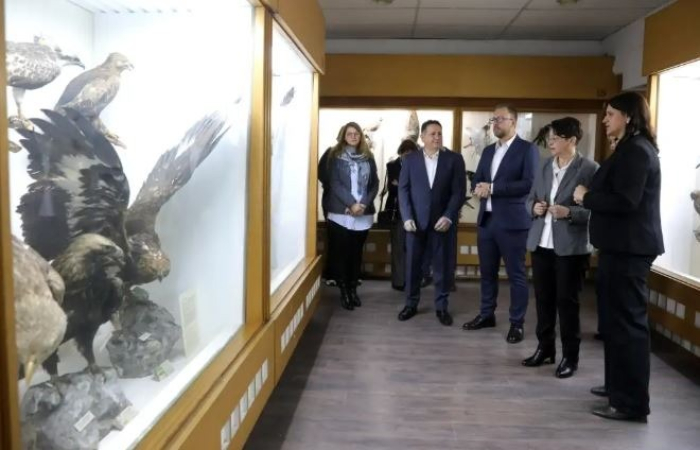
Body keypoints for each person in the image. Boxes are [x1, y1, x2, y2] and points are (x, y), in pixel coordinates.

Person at [574, 91, 664, 422]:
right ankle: (616, 387)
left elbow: (627, 201)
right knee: (613, 324)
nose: (604, 120)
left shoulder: (637, 150)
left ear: (628, 116)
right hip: (619, 248)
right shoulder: (628, 148)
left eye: (610, 113)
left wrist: (587, 197)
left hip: (630, 249)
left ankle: (630, 403)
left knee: (628, 326)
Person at [522, 117, 599, 379]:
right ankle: (545, 349)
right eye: (549, 138)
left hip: (571, 248)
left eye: (555, 138)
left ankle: (570, 357)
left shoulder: (590, 168)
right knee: (543, 301)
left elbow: (597, 210)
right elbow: (530, 199)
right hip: (541, 243)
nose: (550, 143)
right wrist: (533, 208)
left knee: (567, 303)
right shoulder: (544, 165)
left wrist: (570, 213)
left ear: (572, 140)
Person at [463, 104, 539, 344]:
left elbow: (529, 184)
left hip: (513, 223)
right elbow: (477, 178)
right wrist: (478, 187)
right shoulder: (488, 151)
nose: (495, 123)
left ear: (513, 121)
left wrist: (493, 188)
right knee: (487, 273)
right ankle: (487, 315)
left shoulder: (527, 149)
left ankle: (517, 323)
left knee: (516, 275)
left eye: (500, 119)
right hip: (487, 221)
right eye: (493, 119)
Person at [397, 120, 466, 326]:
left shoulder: (454, 159)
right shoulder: (410, 160)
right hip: (415, 224)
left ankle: (442, 307)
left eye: (439, 133)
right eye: (432, 134)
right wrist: (407, 217)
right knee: (413, 267)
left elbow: (458, 192)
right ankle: (411, 304)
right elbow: (403, 190)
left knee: (442, 267)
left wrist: (449, 216)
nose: (437, 137)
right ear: (422, 137)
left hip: (442, 223)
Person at [326, 122, 379, 310]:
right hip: (341, 213)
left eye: (356, 133)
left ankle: (353, 289)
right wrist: (351, 204)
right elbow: (334, 183)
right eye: (349, 133)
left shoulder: (368, 157)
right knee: (342, 254)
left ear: (360, 136)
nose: (353, 136)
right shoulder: (335, 156)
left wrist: (362, 203)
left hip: (362, 213)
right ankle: (344, 292)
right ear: (344, 136)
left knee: (356, 254)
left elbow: (374, 184)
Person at [385, 139, 419, 291]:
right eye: (406, 154)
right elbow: (392, 188)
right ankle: (399, 281)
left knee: (413, 247)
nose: (408, 157)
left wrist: (401, 185)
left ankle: (412, 280)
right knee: (398, 247)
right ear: (401, 152)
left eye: (411, 154)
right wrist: (405, 187)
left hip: (415, 210)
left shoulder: (419, 165)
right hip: (396, 211)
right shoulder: (392, 165)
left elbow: (418, 187)